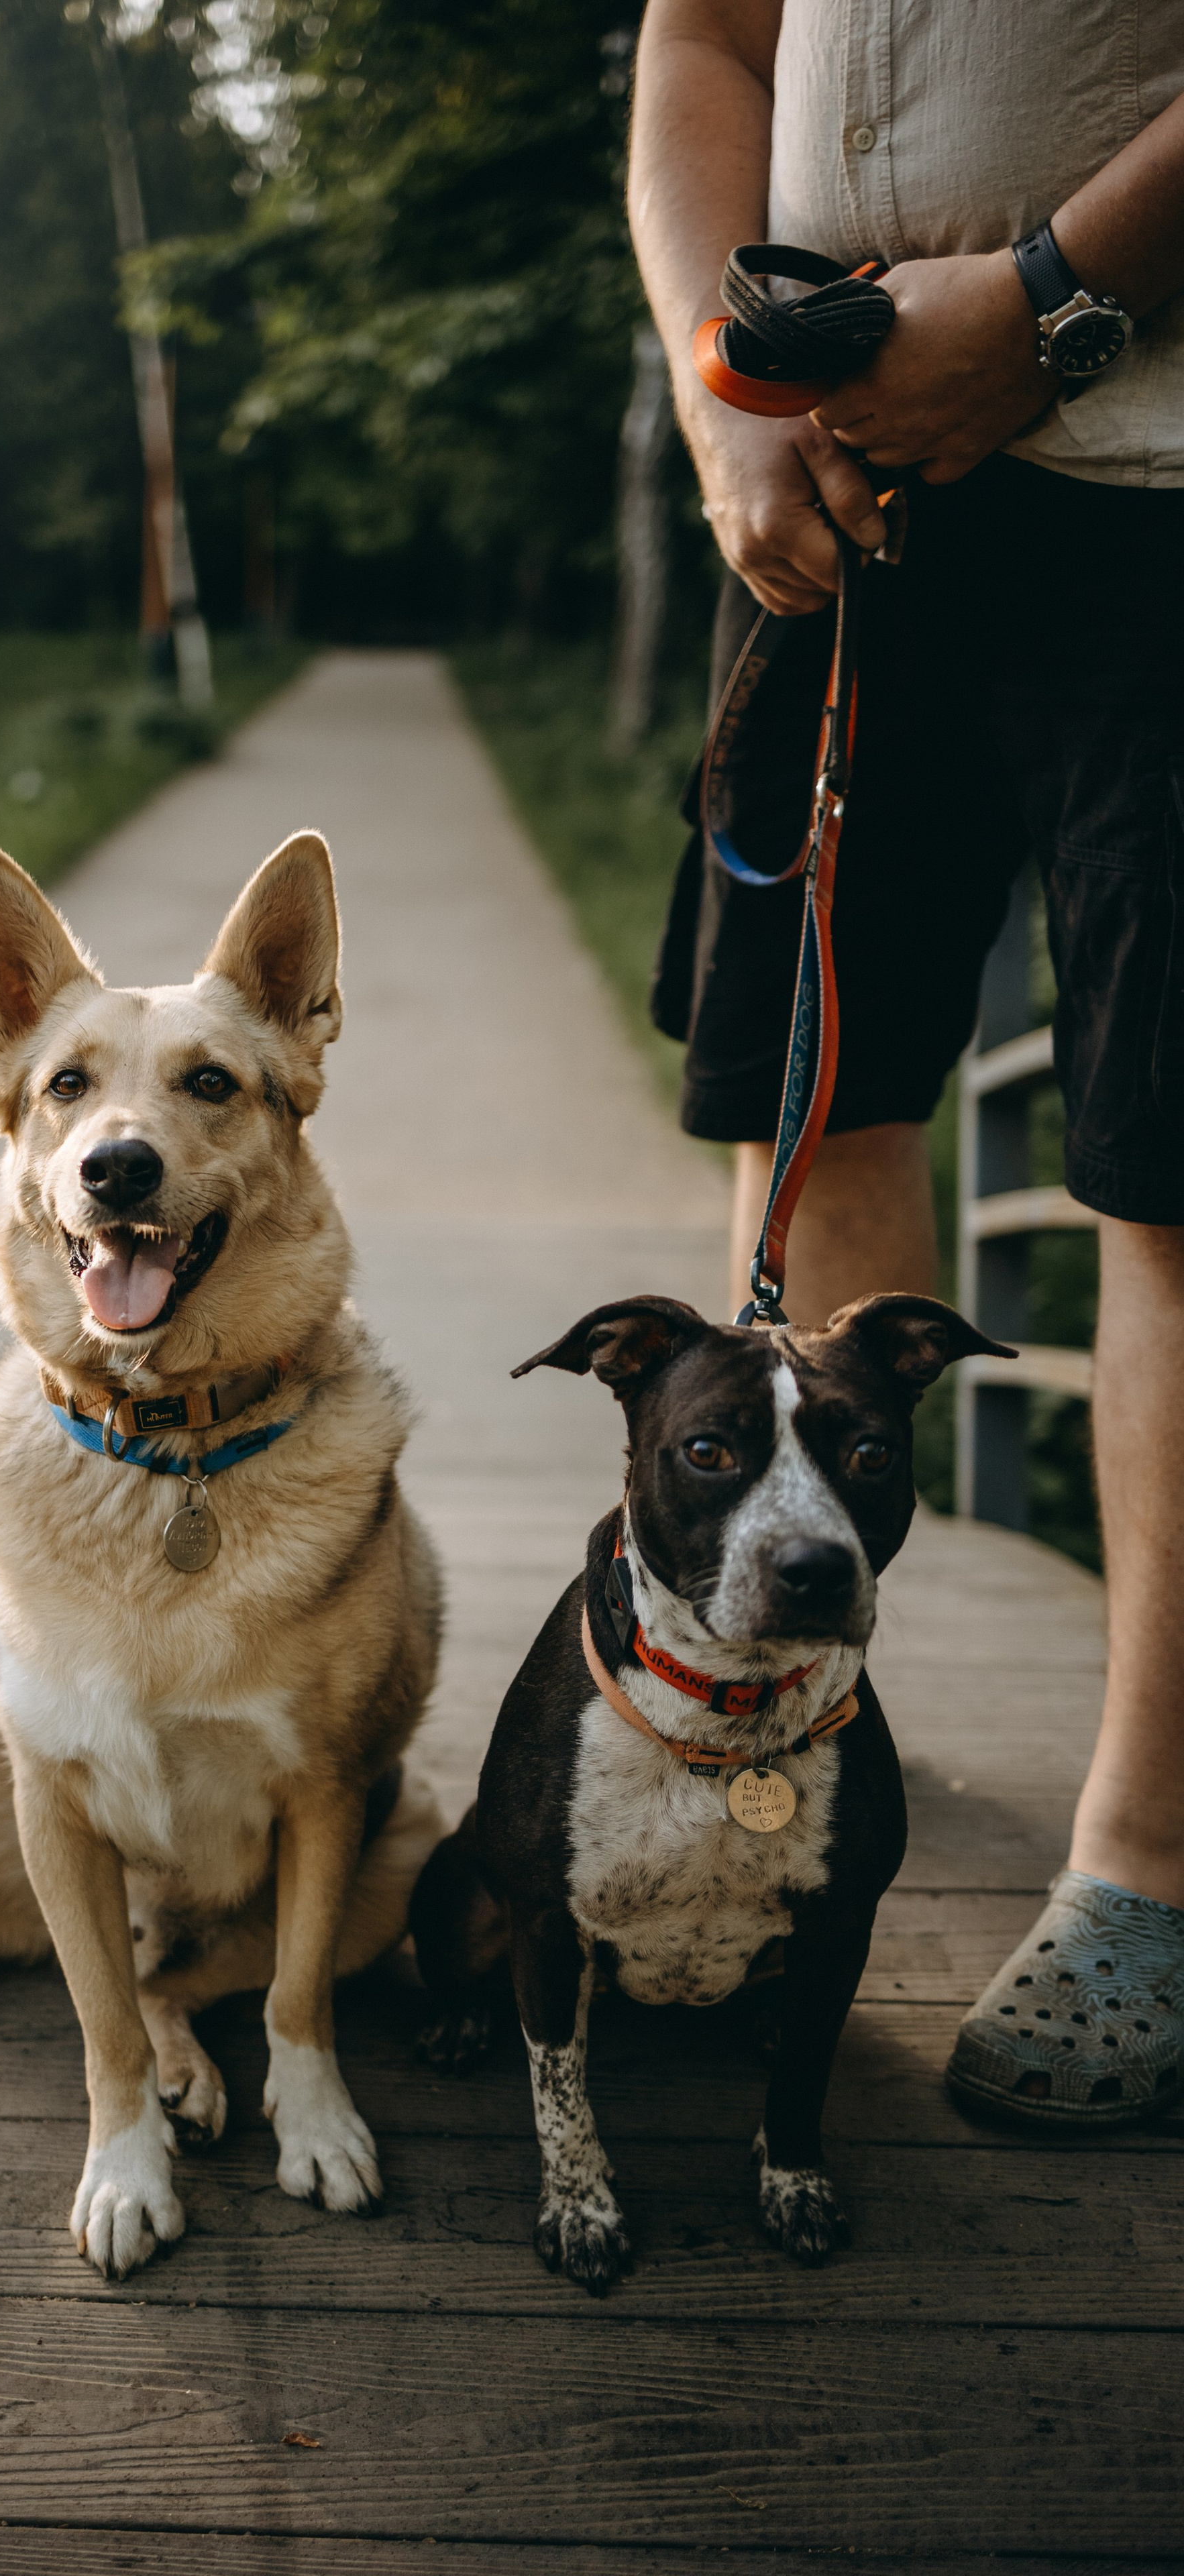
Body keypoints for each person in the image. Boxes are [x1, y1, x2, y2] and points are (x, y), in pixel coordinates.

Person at [629, 0, 1184, 2127]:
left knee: (1159, 1160)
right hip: (844, 488)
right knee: (814, 1088)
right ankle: (831, 1704)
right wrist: (723, 390)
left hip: (1163, 474)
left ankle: (1147, 1868)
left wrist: (1051, 304)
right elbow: (703, 37)